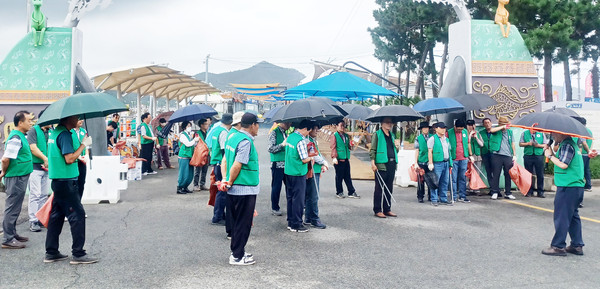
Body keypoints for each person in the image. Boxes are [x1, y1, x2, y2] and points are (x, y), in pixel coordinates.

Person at [45, 115, 97, 264]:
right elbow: (69, 159)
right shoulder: (65, 134)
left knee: (56, 216)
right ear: (69, 119)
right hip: (67, 180)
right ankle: (78, 254)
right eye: (76, 117)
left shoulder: (55, 133)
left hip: (58, 180)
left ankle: (51, 251)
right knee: (77, 215)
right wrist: (83, 145)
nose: (78, 120)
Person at [222, 113, 263, 265]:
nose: (258, 127)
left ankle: (237, 251)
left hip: (235, 188)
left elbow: (225, 160)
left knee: (237, 222)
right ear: (252, 125)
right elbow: (238, 164)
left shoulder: (232, 137)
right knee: (243, 223)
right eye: (257, 124)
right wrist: (230, 181)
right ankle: (237, 256)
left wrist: (226, 181)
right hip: (244, 188)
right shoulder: (245, 141)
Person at [541, 132, 585, 256]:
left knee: (562, 217)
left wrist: (549, 156)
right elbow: (562, 160)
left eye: (554, 134)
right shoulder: (571, 145)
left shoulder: (567, 145)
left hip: (568, 186)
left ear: (561, 133)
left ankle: (558, 246)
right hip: (575, 186)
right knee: (572, 216)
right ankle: (577, 245)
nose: (553, 136)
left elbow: (563, 164)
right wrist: (550, 151)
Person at [1, 111, 34, 249]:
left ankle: (12, 233)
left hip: (19, 175)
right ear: (20, 123)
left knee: (16, 206)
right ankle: (8, 238)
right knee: (12, 207)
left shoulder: (21, 136)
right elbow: (6, 158)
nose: (31, 123)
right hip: (15, 176)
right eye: (28, 121)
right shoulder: (16, 137)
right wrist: (3, 171)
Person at [285, 120, 314, 232]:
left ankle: (290, 222)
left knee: (290, 197)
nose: (308, 133)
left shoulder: (290, 137)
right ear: (306, 129)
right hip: (298, 172)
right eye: (309, 130)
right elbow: (304, 159)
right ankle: (297, 224)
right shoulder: (300, 141)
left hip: (288, 171)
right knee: (299, 199)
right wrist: (311, 158)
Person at [27, 111, 51, 232]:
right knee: (35, 195)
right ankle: (33, 221)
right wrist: (45, 158)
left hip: (46, 169)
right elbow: (33, 148)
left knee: (43, 195)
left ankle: (41, 219)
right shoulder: (34, 130)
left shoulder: (49, 132)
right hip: (35, 168)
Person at [370, 117, 399, 217]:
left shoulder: (392, 135)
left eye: (390, 122)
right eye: (387, 122)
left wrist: (397, 146)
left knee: (389, 187)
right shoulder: (377, 134)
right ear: (381, 123)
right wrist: (373, 163)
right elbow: (372, 150)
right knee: (379, 188)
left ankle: (387, 208)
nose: (389, 124)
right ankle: (377, 209)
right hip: (381, 164)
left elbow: (395, 151)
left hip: (392, 163)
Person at [210, 113, 233, 225]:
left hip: (216, 162)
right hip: (220, 163)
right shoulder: (224, 133)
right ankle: (218, 215)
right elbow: (225, 151)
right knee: (222, 191)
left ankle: (219, 214)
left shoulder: (216, 130)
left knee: (220, 190)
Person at [305, 123, 328, 228]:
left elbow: (318, 153)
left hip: (315, 169)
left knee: (310, 195)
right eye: (315, 129)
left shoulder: (312, 140)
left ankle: (308, 218)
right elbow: (314, 155)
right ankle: (314, 218)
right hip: (313, 170)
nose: (317, 131)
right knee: (314, 196)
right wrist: (324, 162)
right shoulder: (309, 141)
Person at [488, 116, 517, 200]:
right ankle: (495, 192)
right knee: (496, 174)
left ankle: (508, 193)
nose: (506, 126)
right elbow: (491, 130)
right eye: (504, 124)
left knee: (508, 174)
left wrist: (514, 155)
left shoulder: (510, 132)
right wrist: (502, 127)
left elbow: (513, 144)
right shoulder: (496, 130)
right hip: (497, 154)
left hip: (508, 155)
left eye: (506, 124)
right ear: (500, 124)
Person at [330, 121, 359, 199]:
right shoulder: (334, 135)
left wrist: (351, 144)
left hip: (346, 158)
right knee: (339, 177)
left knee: (347, 176)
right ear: (337, 126)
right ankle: (339, 192)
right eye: (341, 126)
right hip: (339, 159)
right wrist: (334, 157)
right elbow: (333, 147)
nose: (343, 127)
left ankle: (351, 191)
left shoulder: (346, 135)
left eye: (344, 126)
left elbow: (348, 146)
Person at [427, 122, 453, 206]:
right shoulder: (433, 139)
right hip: (437, 163)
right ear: (436, 129)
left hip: (446, 162)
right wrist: (430, 163)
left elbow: (449, 152)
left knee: (445, 181)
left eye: (444, 128)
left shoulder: (446, 139)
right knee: (435, 182)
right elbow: (430, 151)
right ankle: (434, 199)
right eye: (441, 128)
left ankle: (443, 198)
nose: (443, 130)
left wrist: (451, 164)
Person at [268, 122, 290, 216]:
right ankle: (275, 207)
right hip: (277, 164)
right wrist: (282, 145)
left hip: (287, 164)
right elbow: (270, 148)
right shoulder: (274, 132)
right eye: (288, 123)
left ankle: (291, 206)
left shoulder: (286, 132)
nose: (290, 124)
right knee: (276, 187)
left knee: (290, 186)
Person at [519, 128, 547, 197]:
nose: (534, 130)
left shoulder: (541, 133)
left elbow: (545, 145)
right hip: (528, 155)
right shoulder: (524, 133)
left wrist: (538, 145)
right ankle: (529, 191)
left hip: (539, 155)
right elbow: (520, 144)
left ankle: (540, 191)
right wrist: (528, 143)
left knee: (540, 174)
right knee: (528, 174)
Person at [448, 119, 470, 203]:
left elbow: (468, 143)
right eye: (458, 129)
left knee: (462, 178)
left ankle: (462, 196)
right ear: (455, 127)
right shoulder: (449, 132)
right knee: (453, 179)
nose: (460, 131)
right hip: (454, 159)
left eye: (461, 129)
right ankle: (453, 197)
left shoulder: (465, 132)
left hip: (464, 158)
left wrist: (469, 155)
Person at [176, 121, 199, 194]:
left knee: (190, 173)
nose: (190, 127)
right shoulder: (182, 135)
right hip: (184, 156)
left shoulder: (189, 134)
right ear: (184, 127)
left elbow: (193, 144)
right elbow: (188, 144)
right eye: (188, 126)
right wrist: (194, 140)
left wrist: (195, 140)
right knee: (183, 173)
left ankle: (185, 186)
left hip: (189, 156)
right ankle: (180, 187)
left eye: (190, 126)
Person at [414, 122, 431, 203]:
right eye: (424, 128)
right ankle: (420, 196)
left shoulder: (432, 137)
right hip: (421, 161)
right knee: (421, 181)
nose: (425, 129)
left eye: (427, 128)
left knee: (431, 179)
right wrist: (416, 162)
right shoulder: (418, 138)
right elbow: (417, 151)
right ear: (421, 129)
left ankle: (431, 196)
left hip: (430, 161)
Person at [466, 120, 484, 195]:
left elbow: (482, 145)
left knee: (477, 172)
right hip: (468, 157)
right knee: (468, 173)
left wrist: (476, 137)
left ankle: (476, 188)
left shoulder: (478, 133)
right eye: (469, 125)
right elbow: (466, 143)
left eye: (471, 125)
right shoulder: (465, 133)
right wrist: (470, 135)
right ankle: (468, 188)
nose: (470, 127)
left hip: (477, 156)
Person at [71, 119, 88, 199]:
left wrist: (87, 155)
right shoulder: (69, 131)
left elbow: (86, 145)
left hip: (82, 161)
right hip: (73, 160)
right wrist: (78, 157)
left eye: (81, 119)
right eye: (78, 119)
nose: (81, 121)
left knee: (82, 183)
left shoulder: (83, 131)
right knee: (74, 183)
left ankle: (79, 201)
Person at [193, 118, 210, 190]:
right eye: (205, 124)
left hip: (207, 153)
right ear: (201, 125)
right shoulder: (197, 133)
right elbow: (195, 143)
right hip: (200, 153)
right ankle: (195, 185)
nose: (207, 126)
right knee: (198, 170)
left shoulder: (208, 133)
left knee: (205, 169)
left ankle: (202, 184)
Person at [479, 118, 495, 195]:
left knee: (495, 172)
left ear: (491, 123)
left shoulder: (496, 132)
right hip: (485, 154)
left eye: (488, 122)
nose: (487, 124)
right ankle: (492, 189)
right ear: (483, 125)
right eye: (485, 123)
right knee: (489, 172)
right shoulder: (481, 133)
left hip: (494, 154)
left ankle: (496, 189)